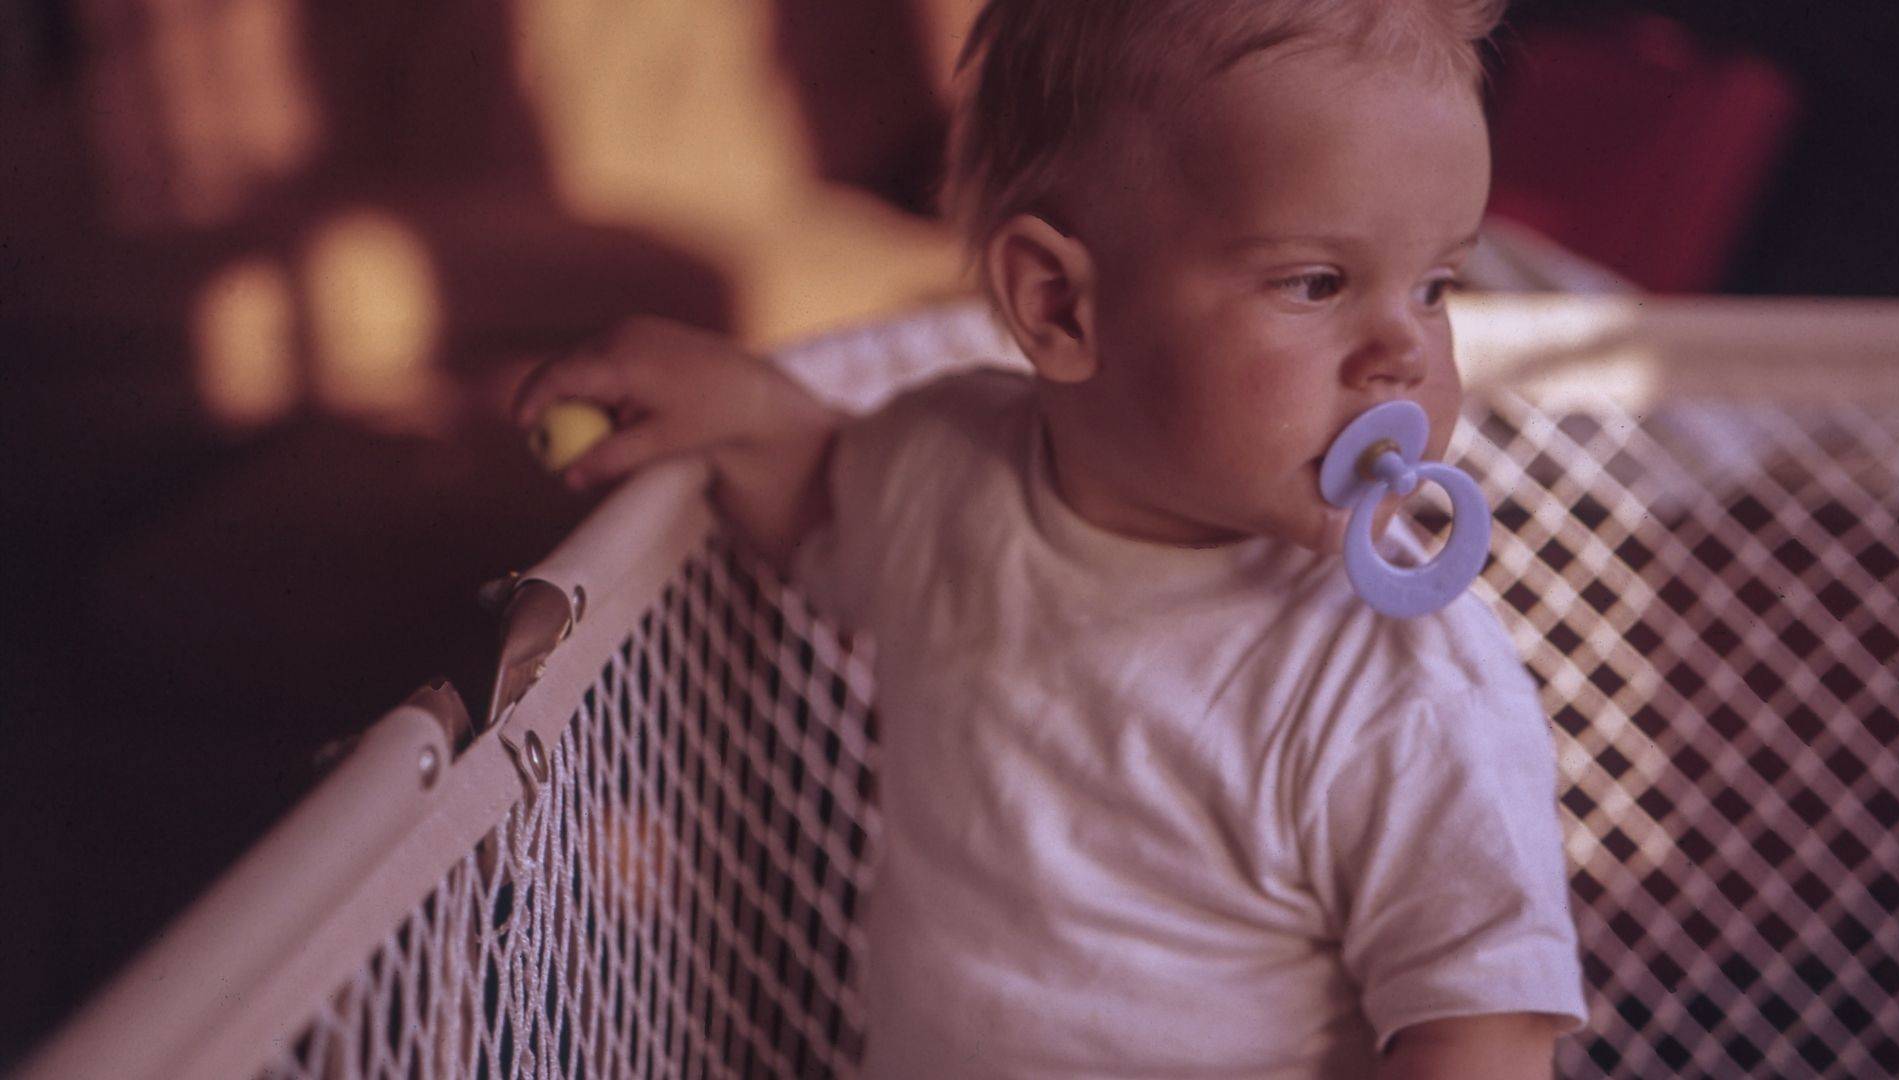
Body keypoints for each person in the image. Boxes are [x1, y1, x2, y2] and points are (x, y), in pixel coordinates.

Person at [512, 1, 1587, 1075]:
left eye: (1437, 285)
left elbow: (1482, 1036)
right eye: (1316, 282)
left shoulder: (1399, 684)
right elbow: (823, 501)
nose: (1404, 355)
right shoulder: (949, 474)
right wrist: (739, 402)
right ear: (1060, 305)